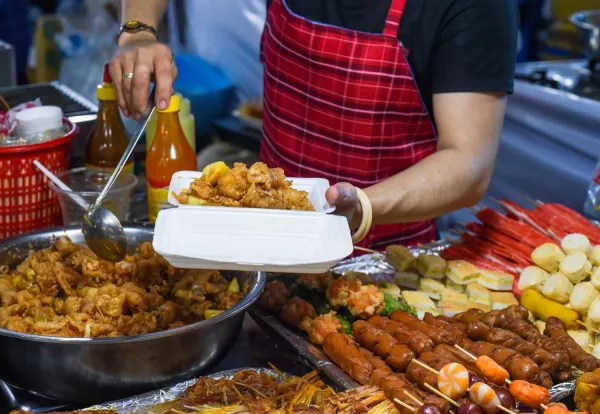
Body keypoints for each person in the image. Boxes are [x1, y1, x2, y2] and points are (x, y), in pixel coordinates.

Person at [110, 0, 518, 248]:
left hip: (376, 264)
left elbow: (469, 163)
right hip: (257, 244)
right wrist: (138, 31)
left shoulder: (474, 6)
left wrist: (360, 207)